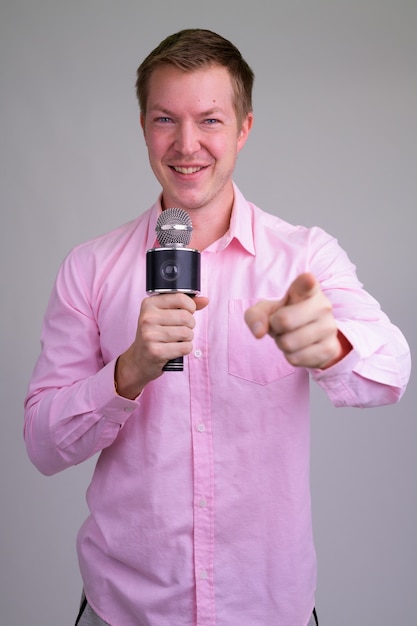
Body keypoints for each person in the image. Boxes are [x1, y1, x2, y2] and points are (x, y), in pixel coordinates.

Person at [24, 28, 411, 626]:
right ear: (143, 126)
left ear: (244, 129)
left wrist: (331, 345)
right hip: (126, 610)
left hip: (268, 609)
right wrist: (126, 373)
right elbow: (43, 445)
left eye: (209, 120)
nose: (186, 144)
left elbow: (391, 373)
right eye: (164, 119)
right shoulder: (90, 267)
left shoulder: (303, 257)